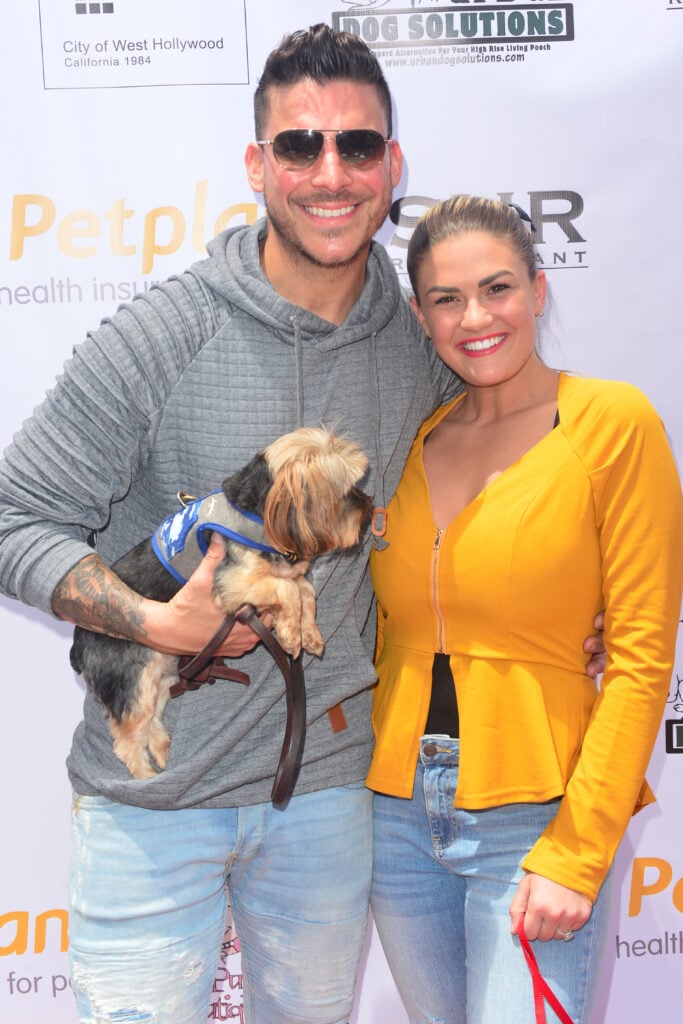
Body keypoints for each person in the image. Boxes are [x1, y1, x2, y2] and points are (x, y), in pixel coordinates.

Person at [0, 28, 605, 1024]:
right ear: (256, 165)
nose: (329, 172)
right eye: (299, 146)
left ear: (391, 167)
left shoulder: (422, 350)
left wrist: (559, 616)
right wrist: (158, 625)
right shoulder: (164, 335)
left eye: (356, 146)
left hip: (325, 799)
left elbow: (501, 485)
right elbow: (17, 516)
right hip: (151, 797)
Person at [367, 195, 683, 1024]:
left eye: (497, 287)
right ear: (420, 316)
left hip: (535, 816)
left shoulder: (610, 423)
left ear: (538, 291)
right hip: (394, 816)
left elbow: (643, 659)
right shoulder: (412, 441)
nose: (475, 317)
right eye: (446, 298)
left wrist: (578, 855)